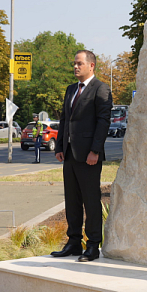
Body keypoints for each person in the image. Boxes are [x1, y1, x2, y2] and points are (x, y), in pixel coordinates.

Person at [51, 50, 112, 262]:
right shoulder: (70, 90)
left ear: (91, 66)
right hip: (69, 155)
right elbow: (65, 121)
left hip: (89, 156)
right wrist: (59, 146)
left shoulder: (101, 89)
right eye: (74, 63)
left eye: (79, 64)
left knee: (91, 201)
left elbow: (103, 122)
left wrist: (95, 151)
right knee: (72, 200)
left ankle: (93, 245)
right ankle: (74, 242)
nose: (75, 67)